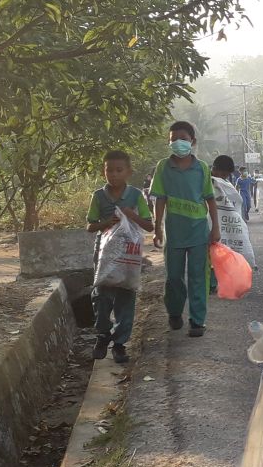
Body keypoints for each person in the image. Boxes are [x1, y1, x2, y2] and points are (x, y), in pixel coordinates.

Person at [151, 121, 220, 337]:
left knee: (198, 277)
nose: (178, 143)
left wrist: (215, 228)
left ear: (193, 142)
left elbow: (210, 200)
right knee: (173, 277)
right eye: (173, 140)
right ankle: (174, 312)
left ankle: (197, 321)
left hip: (199, 231)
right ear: (169, 142)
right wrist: (157, 228)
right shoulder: (163, 166)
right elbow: (160, 199)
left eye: (183, 139)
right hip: (174, 232)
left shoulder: (202, 168)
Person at [86, 150, 154, 363]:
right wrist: (106, 223)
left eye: (119, 170)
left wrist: (131, 215)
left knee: (126, 293)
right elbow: (90, 225)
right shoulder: (98, 196)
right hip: (105, 251)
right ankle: (103, 333)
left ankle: (120, 343)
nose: (113, 174)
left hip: (128, 250)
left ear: (128, 172)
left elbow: (148, 225)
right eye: (109, 170)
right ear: (103, 172)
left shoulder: (135, 195)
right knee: (102, 293)